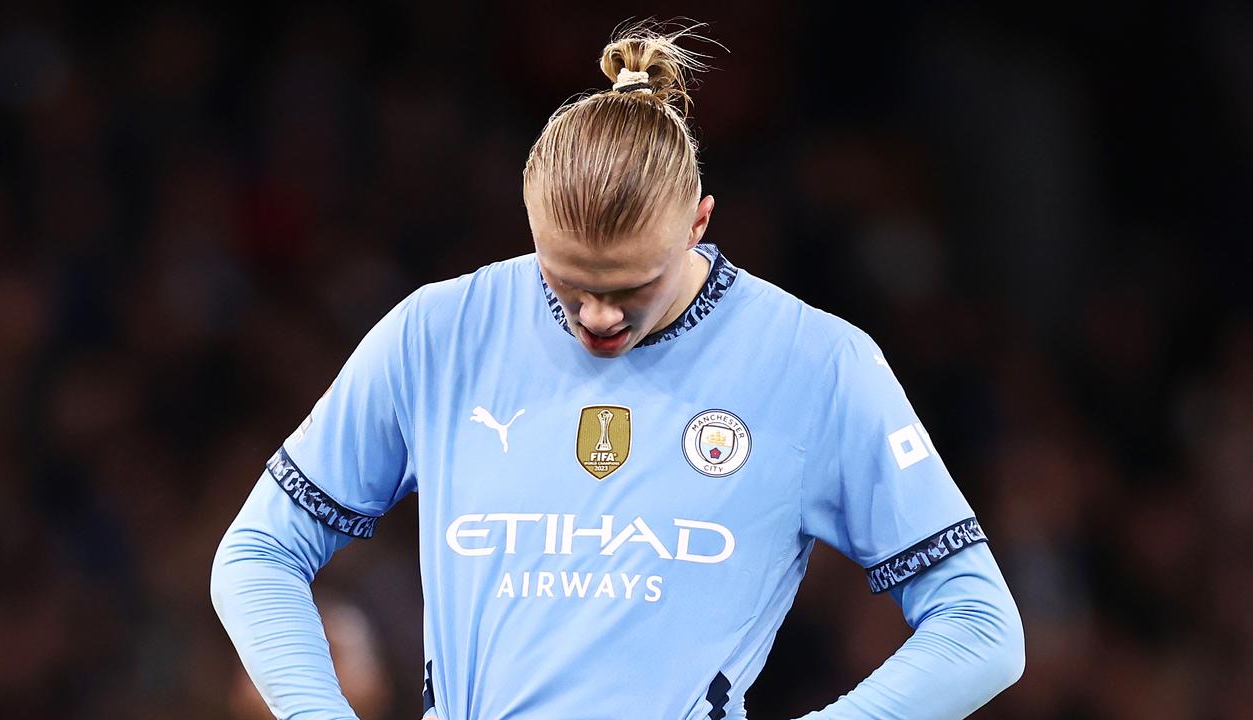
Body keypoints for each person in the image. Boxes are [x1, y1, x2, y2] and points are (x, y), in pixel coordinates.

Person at [212, 22, 1025, 720]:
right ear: (529, 220)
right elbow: (256, 555)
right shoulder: (439, 333)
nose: (597, 316)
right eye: (566, 284)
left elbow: (981, 627)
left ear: (699, 221)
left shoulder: (817, 363)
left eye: (631, 287)